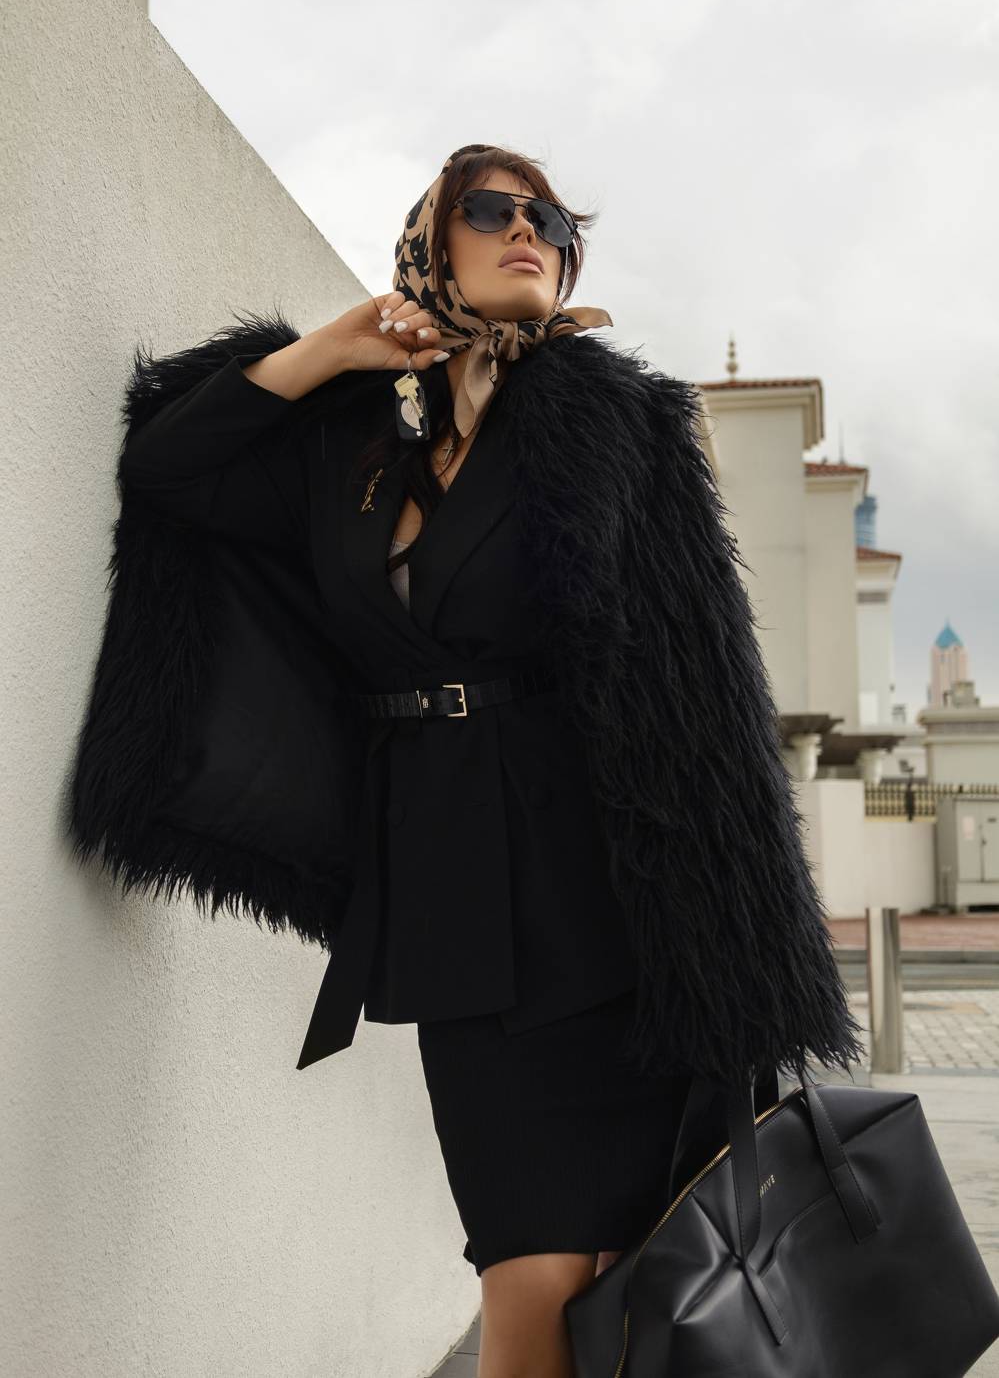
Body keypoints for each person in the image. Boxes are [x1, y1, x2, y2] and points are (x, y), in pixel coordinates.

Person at [69, 142, 863, 1378]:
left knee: (649, 1286)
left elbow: (701, 701)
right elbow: (169, 467)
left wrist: (739, 967)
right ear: (429, 245)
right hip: (452, 913)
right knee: (528, 1281)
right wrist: (326, 351)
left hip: (621, 914)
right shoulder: (354, 446)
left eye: (551, 219)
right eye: (491, 210)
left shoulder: (616, 425)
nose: (528, 230)